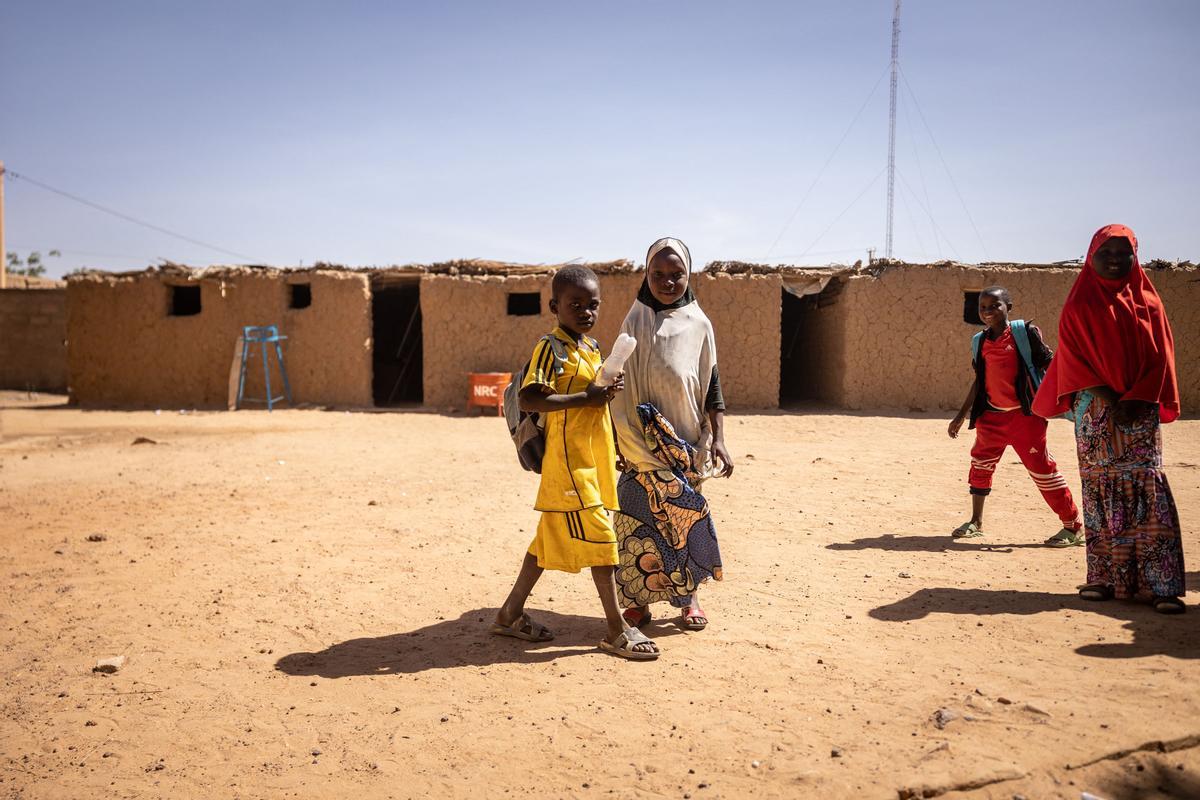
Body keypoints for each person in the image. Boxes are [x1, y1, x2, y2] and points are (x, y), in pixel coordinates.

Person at [492, 265, 660, 658]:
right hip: (568, 466)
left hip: (593, 460)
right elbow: (530, 398)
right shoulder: (550, 349)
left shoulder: (592, 348)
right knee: (604, 539)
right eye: (575, 304)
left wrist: (614, 438)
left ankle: (508, 615)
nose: (585, 311)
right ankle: (616, 629)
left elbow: (597, 403)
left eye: (592, 305)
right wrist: (586, 397)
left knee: (547, 542)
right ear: (555, 306)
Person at [1033, 224, 1185, 614]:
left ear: (1136, 256)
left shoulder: (1150, 303)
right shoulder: (1079, 303)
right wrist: (1110, 397)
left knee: (1146, 488)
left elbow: (1160, 357)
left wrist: (1135, 399)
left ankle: (1161, 583)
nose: (1115, 259)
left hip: (1140, 408)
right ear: (1091, 256)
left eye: (1124, 252)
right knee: (1101, 492)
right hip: (1096, 410)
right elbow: (1073, 358)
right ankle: (1103, 578)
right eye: (1107, 253)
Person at [611, 237, 733, 631]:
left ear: (688, 275)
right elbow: (618, 385)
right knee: (637, 523)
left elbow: (711, 385)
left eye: (676, 274)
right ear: (646, 276)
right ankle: (638, 603)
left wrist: (719, 439)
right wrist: (620, 439)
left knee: (684, 523)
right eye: (658, 274)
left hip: (685, 448)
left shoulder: (700, 325)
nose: (667, 281)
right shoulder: (634, 321)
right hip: (637, 445)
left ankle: (689, 600)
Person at [948, 286, 1084, 545]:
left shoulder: (1025, 334)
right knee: (980, 466)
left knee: (1043, 470)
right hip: (991, 418)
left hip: (1025, 418)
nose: (988, 311)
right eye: (983, 307)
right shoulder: (980, 341)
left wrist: (1070, 396)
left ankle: (1073, 526)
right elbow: (979, 380)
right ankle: (976, 522)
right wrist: (961, 415)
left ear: (1008, 307)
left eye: (994, 305)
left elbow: (1050, 363)